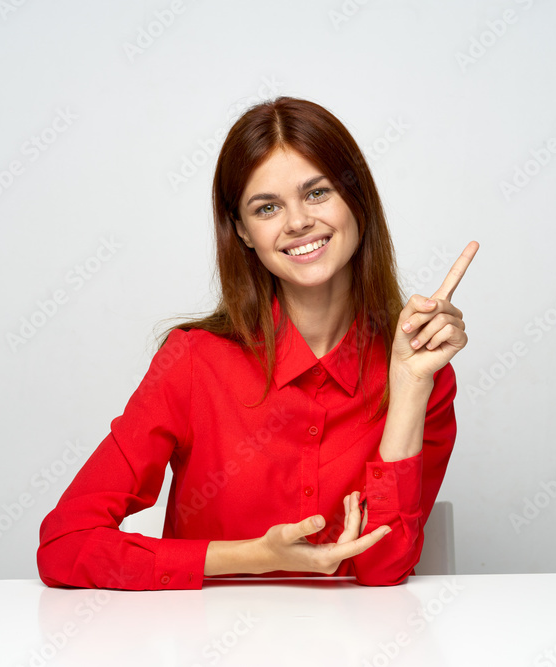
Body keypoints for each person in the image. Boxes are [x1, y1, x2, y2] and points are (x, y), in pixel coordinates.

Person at [36, 96, 478, 591]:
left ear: (357, 200)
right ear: (243, 232)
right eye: (267, 207)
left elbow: (383, 569)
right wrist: (253, 556)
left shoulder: (421, 370)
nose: (297, 222)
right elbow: (64, 546)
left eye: (317, 193)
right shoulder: (192, 362)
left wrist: (410, 386)